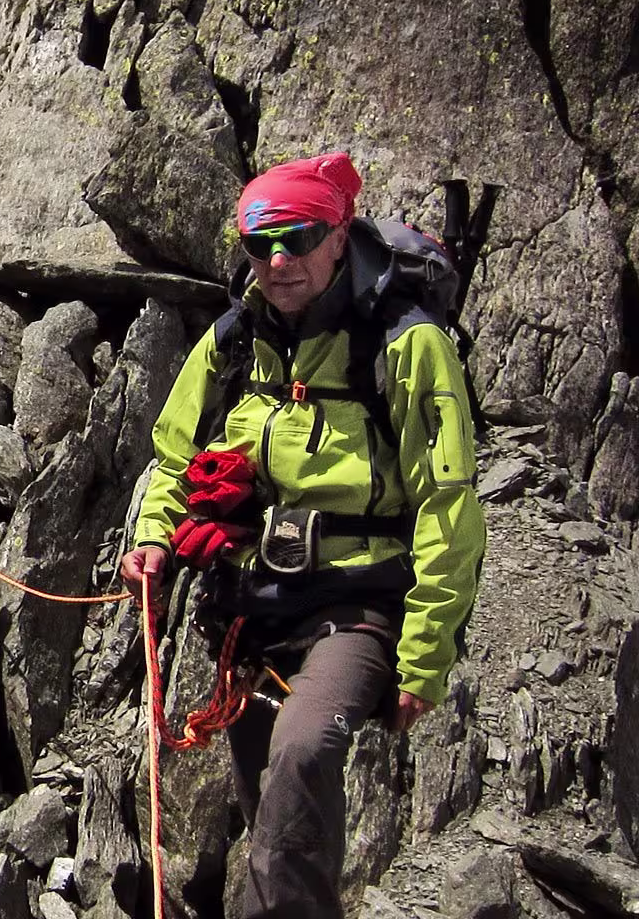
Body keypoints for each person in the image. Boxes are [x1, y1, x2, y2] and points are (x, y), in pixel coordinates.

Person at [118, 152, 485, 919]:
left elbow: (449, 506)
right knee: (271, 804)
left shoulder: (408, 344)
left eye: (298, 237)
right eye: (260, 244)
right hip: (254, 602)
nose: (278, 261)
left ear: (339, 233)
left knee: (302, 748)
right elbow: (176, 450)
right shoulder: (235, 337)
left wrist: (424, 658)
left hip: (360, 601)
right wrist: (156, 535)